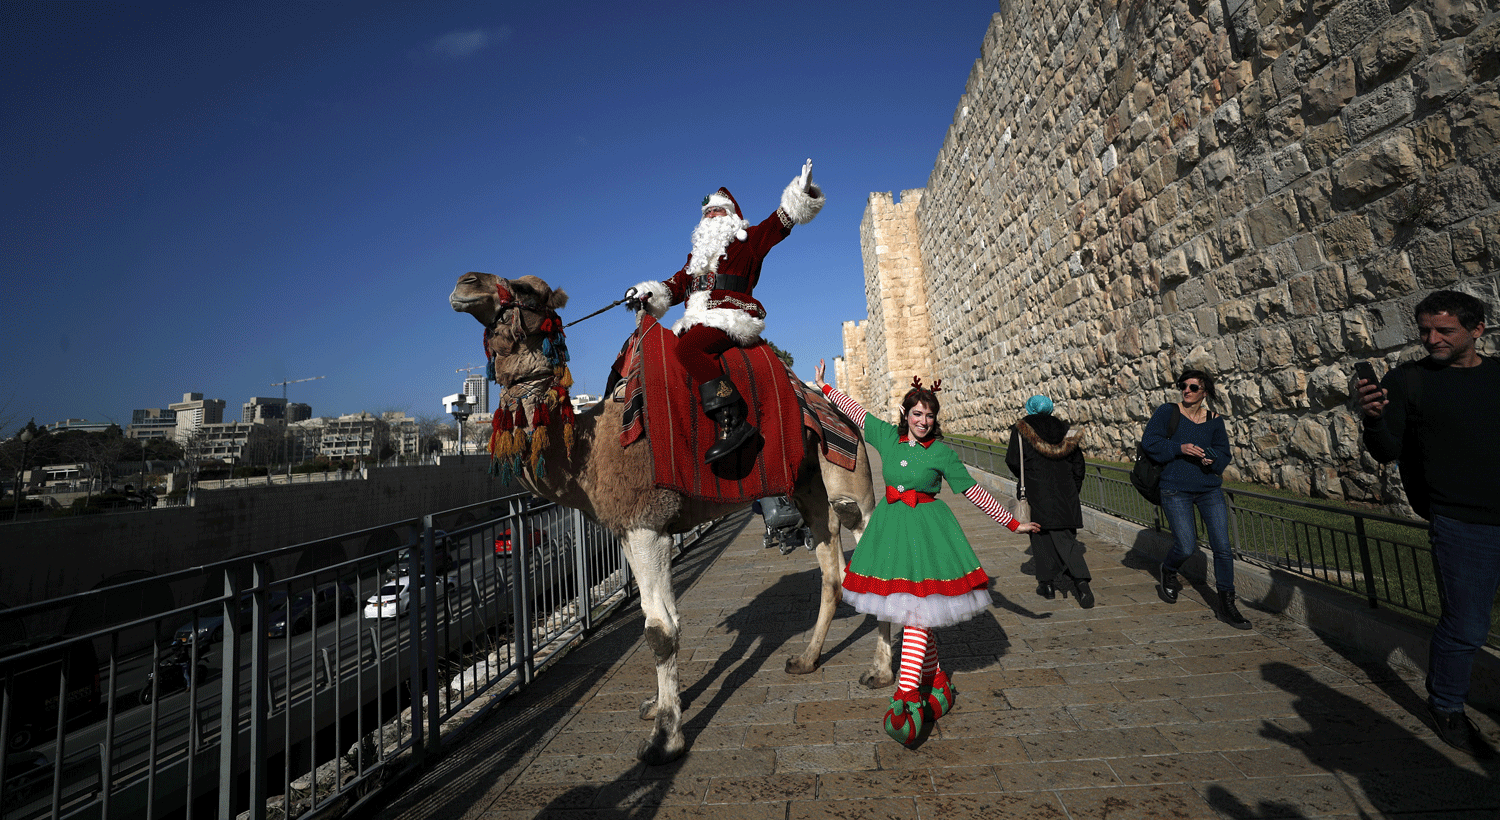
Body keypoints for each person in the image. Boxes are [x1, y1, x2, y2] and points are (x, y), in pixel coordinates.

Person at [814, 360, 1040, 746]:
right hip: (891, 536)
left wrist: (1012, 523)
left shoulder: (943, 454)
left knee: (917, 615)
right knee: (917, 614)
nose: (923, 421)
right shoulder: (887, 437)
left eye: (929, 415)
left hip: (930, 535)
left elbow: (973, 492)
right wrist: (825, 388)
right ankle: (937, 683)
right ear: (905, 414)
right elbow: (857, 413)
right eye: (917, 413)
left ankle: (905, 697)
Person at [1357, 289, 1499, 758]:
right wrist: (1374, 419)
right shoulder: (1409, 380)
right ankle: (1447, 708)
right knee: (1467, 625)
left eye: (1444, 330)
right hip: (1462, 522)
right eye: (1424, 331)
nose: (1431, 339)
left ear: (1477, 330)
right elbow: (1386, 449)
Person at [625, 159, 825, 464]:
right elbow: (674, 286)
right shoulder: (696, 259)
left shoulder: (749, 243)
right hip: (695, 318)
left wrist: (802, 189)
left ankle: (733, 420)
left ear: (731, 215)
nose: (709, 216)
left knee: (689, 350)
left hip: (729, 316)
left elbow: (780, 222)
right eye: (706, 213)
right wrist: (645, 292)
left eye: (716, 211)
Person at [1142, 368, 1250, 629]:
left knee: (1223, 548)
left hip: (1209, 488)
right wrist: (1179, 448)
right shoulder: (1168, 411)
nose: (1186, 391)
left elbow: (1224, 453)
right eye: (1184, 386)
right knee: (1187, 546)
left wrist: (1212, 458)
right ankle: (1169, 570)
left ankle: (1227, 603)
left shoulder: (1214, 419)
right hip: (1175, 488)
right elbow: (1150, 442)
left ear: (1205, 392)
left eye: (1193, 387)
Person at [1005, 394, 1090, 607]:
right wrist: (1074, 486)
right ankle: (1081, 583)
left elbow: (1013, 461)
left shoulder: (1021, 429)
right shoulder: (1066, 430)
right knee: (1066, 538)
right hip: (1066, 491)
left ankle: (1048, 585)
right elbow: (1078, 464)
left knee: (1039, 536)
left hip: (1036, 489)